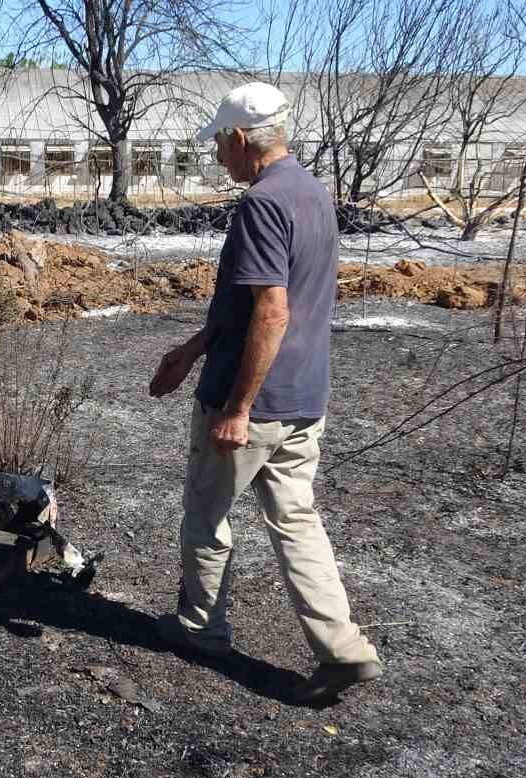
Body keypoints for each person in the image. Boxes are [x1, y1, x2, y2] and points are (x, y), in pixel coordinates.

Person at [148, 82, 382, 705]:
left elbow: (271, 313)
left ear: (238, 138)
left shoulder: (261, 204)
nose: (217, 158)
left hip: (251, 399)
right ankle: (344, 648)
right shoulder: (311, 194)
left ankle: (200, 630)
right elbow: (247, 304)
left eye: (219, 145)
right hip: (306, 395)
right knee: (298, 523)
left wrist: (238, 407)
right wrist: (191, 349)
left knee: (207, 518)